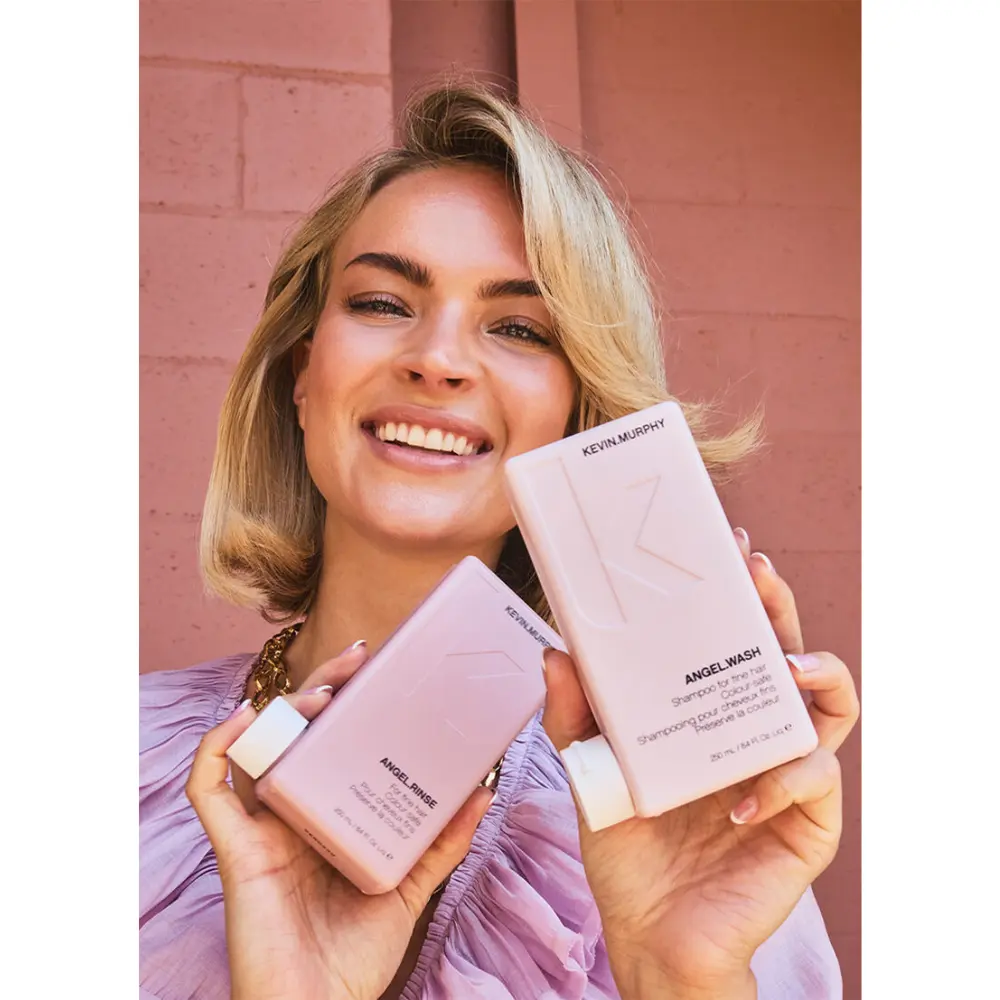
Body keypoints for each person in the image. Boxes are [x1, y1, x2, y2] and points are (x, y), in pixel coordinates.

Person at [140, 83, 858, 1000]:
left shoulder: (693, 818)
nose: (437, 359)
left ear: (578, 417)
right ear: (301, 375)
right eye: (382, 302)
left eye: (519, 327)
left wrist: (679, 972)